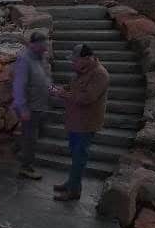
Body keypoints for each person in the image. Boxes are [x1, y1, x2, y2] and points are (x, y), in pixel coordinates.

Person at [50, 43, 109, 201]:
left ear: (87, 58)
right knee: (74, 154)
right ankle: (71, 183)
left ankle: (74, 191)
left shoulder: (100, 74)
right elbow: (72, 87)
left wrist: (64, 95)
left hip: (86, 124)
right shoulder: (82, 71)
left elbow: (87, 98)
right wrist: (60, 89)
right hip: (75, 121)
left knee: (79, 157)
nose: (73, 63)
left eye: (75, 60)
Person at [11, 31, 53, 180]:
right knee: (30, 138)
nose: (45, 48)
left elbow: (45, 79)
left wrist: (53, 90)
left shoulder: (40, 59)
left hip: (39, 105)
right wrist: (22, 108)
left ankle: (19, 153)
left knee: (31, 136)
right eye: (42, 45)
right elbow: (18, 86)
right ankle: (26, 167)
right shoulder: (25, 60)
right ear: (33, 44)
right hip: (30, 107)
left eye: (45, 45)